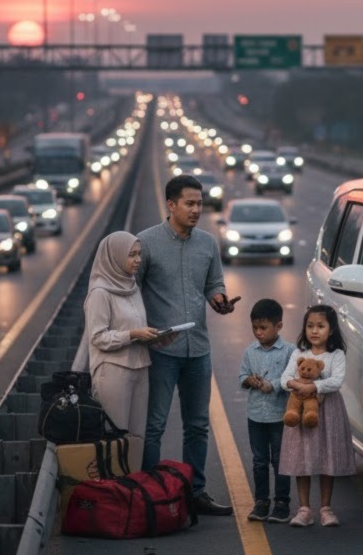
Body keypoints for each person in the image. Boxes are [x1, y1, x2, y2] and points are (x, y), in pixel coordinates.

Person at [137, 175, 238, 516]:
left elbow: (214, 284)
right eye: (190, 204)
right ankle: (150, 493)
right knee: (155, 425)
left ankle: (195, 492)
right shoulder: (145, 243)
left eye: (200, 203)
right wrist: (142, 331)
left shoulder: (208, 244)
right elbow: (130, 293)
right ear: (171, 205)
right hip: (162, 351)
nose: (197, 210)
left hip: (199, 349)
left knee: (197, 425)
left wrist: (220, 301)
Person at [279, 304, 355, 528]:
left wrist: (312, 386)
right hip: (301, 413)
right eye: (310, 326)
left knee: (326, 457)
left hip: (328, 413)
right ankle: (304, 509)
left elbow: (337, 381)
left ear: (331, 330)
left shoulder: (336, 355)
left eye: (320, 326)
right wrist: (296, 384)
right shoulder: (298, 354)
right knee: (302, 458)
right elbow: (285, 378)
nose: (314, 331)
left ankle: (326, 508)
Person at [81, 231, 159, 437]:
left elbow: (137, 326)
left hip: (140, 367)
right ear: (114, 256)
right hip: (113, 372)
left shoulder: (132, 287)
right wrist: (132, 334)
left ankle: (134, 471)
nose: (138, 260)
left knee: (137, 438)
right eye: (131, 255)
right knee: (115, 440)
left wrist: (157, 338)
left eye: (139, 254)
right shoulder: (100, 293)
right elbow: (97, 337)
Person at [239, 298, 295, 523]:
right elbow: (241, 376)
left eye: (263, 328)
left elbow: (290, 379)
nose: (258, 333)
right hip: (255, 415)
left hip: (279, 415)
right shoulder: (249, 351)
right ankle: (261, 501)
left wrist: (271, 384)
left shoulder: (289, 351)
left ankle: (282, 502)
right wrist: (249, 381)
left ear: (278, 326)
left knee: (280, 460)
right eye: (255, 328)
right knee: (259, 460)